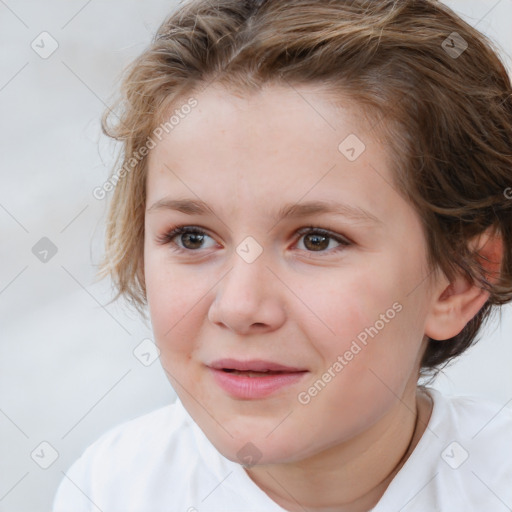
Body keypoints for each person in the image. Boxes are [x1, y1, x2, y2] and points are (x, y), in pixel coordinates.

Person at [53, 0, 512, 510]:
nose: (239, 307)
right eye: (192, 237)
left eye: (317, 239)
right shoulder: (113, 489)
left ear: (458, 281)